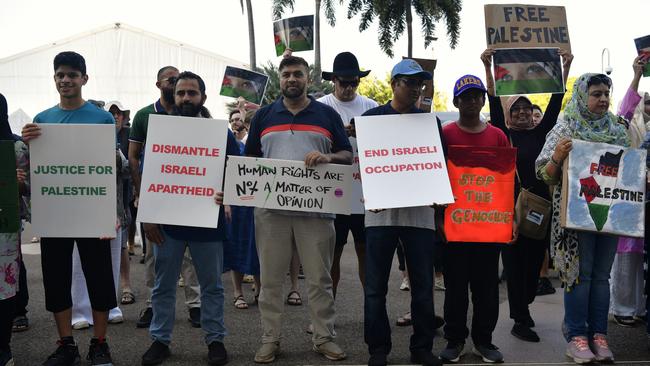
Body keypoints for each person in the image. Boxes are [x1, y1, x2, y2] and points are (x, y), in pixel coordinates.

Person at [243, 55, 352, 363]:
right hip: (270, 211)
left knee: (319, 278)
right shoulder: (263, 116)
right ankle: (270, 339)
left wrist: (328, 157)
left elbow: (347, 154)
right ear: (280, 80)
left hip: (316, 211)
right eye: (286, 74)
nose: (292, 79)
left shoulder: (327, 115)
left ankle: (324, 337)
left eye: (298, 74)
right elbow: (249, 160)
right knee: (271, 279)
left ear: (308, 78)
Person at [534, 70, 642, 364]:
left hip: (609, 216)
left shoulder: (619, 130)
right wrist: (558, 155)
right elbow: (544, 173)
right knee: (579, 278)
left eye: (606, 94)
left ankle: (599, 336)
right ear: (583, 96)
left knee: (600, 278)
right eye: (596, 94)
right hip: (575, 218)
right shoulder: (565, 128)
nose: (603, 99)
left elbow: (630, 171)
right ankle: (577, 337)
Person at [21, 51, 116, 366]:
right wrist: (28, 141)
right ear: (55, 79)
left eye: (72, 75)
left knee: (99, 278)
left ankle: (99, 343)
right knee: (56, 280)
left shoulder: (102, 119)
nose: (66, 80)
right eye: (60, 75)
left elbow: (107, 169)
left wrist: (110, 212)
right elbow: (37, 168)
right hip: (55, 214)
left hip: (92, 213)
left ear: (83, 79)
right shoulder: (42, 120)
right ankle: (66, 345)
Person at [140, 71, 238, 366]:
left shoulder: (221, 133)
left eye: (191, 93)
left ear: (202, 98)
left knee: (212, 287)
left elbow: (236, 169)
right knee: (163, 286)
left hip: (207, 221)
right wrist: (148, 217)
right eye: (180, 92)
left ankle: (215, 340)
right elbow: (148, 175)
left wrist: (228, 194)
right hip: (166, 225)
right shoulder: (160, 130)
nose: (185, 98)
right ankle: (160, 340)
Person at [481, 48, 573, 343]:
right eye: (515, 110)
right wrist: (487, 66)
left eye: (526, 109)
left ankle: (524, 307)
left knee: (535, 267)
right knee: (514, 266)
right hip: (510, 212)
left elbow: (556, 104)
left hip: (540, 211)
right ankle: (520, 318)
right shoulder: (502, 134)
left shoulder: (542, 133)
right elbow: (494, 103)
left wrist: (565, 66)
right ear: (509, 115)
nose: (521, 113)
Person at [361, 59, 443, 366]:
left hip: (419, 217)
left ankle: (421, 347)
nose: (415, 89)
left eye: (419, 83)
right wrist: (372, 190)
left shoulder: (428, 122)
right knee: (375, 288)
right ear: (394, 83)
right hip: (380, 216)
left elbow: (437, 166)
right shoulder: (371, 119)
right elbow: (365, 167)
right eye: (409, 82)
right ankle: (378, 349)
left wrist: (438, 197)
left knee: (422, 286)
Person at [439, 74, 510, 364]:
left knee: (486, 288)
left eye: (476, 96)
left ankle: (484, 341)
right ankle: (454, 341)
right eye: (465, 96)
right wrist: (439, 220)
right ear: (456, 101)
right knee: (455, 287)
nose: (471, 101)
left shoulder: (497, 136)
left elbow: (507, 182)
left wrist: (510, 221)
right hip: (454, 225)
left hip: (488, 226)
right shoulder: (444, 134)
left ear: (483, 99)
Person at [128, 66, 202, 329]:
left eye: (180, 82)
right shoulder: (144, 115)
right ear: (158, 83)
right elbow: (134, 157)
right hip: (156, 197)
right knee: (153, 255)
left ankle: (195, 305)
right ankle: (151, 306)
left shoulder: (194, 114)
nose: (176, 85)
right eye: (171, 80)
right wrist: (142, 194)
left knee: (190, 255)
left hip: (189, 195)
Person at [318, 51, 378, 298]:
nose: (349, 87)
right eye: (344, 82)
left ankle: (371, 309)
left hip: (364, 192)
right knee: (334, 251)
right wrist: (338, 135)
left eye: (354, 82)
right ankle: (327, 310)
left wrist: (362, 133)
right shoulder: (322, 107)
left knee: (366, 251)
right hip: (334, 190)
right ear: (334, 80)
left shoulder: (371, 107)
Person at [610, 55, 650, 328]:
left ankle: (642, 307)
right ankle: (623, 307)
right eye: (646, 101)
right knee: (627, 252)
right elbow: (624, 111)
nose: (649, 105)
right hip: (629, 194)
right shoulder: (628, 123)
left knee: (645, 255)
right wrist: (636, 75)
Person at [0, 93, 29, 366]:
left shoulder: (16, 148)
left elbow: (30, 188)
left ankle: (3, 347)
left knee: (4, 289)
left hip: (4, 229)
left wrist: (19, 184)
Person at [107, 101, 136, 305]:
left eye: (119, 113)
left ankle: (126, 286)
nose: (115, 116)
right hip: (97, 198)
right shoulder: (94, 132)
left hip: (122, 197)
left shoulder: (130, 134)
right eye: (111, 112)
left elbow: (132, 166)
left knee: (122, 244)